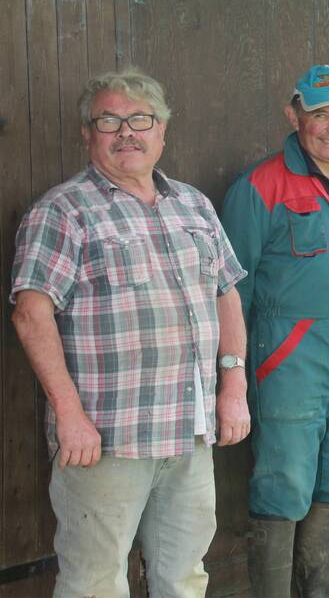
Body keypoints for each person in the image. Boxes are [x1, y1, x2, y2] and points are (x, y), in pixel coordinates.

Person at [10, 67, 249, 597]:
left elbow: (226, 292)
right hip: (105, 441)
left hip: (189, 431)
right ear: (87, 134)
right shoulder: (63, 210)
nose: (126, 133)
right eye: (109, 120)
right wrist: (69, 416)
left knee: (185, 576)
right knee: (95, 583)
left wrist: (233, 387)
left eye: (140, 119)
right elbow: (31, 313)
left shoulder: (193, 205)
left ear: (162, 130)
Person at [220, 65, 329, 597]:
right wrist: (233, 374)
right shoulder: (260, 186)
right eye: (319, 114)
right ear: (294, 115)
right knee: (282, 489)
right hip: (286, 362)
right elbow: (229, 292)